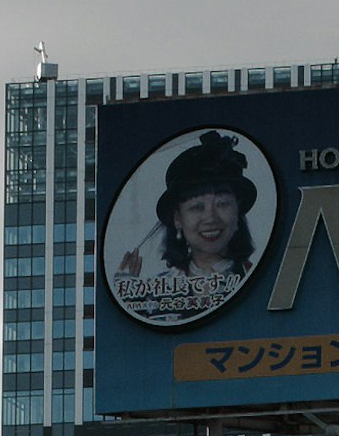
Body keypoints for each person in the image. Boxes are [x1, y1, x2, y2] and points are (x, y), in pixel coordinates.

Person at [110, 134, 262, 327]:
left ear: (238, 212)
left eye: (222, 204)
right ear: (177, 219)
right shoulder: (152, 294)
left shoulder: (259, 282)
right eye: (197, 207)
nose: (210, 218)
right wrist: (125, 298)